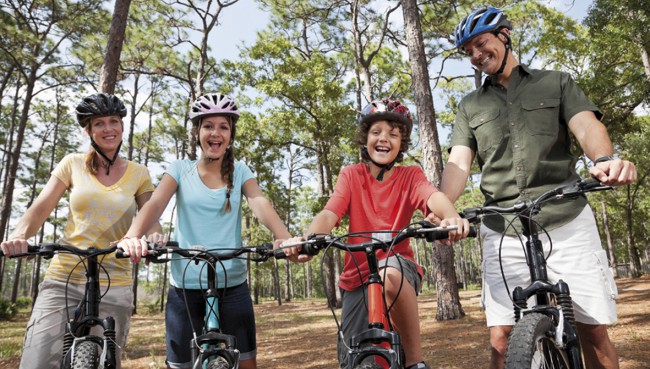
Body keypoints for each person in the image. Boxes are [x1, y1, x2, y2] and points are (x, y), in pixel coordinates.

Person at [442, 6, 637, 369]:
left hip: (565, 218)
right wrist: (443, 209)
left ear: (504, 35)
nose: (476, 56)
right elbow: (458, 163)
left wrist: (603, 160)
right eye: (468, 52)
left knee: (591, 330)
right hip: (503, 228)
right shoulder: (470, 106)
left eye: (481, 44)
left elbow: (586, 126)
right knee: (502, 339)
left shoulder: (556, 82)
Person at [283, 98, 470, 369]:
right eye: (376, 132)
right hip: (354, 277)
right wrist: (308, 239)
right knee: (354, 359)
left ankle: (415, 362)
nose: (384, 139)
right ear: (365, 139)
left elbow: (433, 197)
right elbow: (329, 213)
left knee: (388, 275)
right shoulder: (351, 175)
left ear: (401, 144)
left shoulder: (410, 176)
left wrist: (451, 215)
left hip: (398, 266)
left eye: (393, 134)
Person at [117, 93, 291, 369]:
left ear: (231, 134)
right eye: (208, 125)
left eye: (224, 126)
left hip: (232, 283)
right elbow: (156, 204)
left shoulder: (241, 171)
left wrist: (284, 237)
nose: (216, 132)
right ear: (197, 132)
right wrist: (132, 236)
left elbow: (259, 203)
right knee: (180, 365)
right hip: (186, 285)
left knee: (247, 362)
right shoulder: (180, 169)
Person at [0, 92, 161, 369]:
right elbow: (41, 207)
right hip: (64, 276)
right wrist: (19, 235)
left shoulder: (139, 172)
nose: (108, 129)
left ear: (122, 126)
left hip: (116, 280)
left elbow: (152, 219)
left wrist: (151, 242)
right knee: (36, 362)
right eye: (99, 123)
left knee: (105, 362)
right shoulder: (72, 163)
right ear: (88, 130)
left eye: (113, 121)